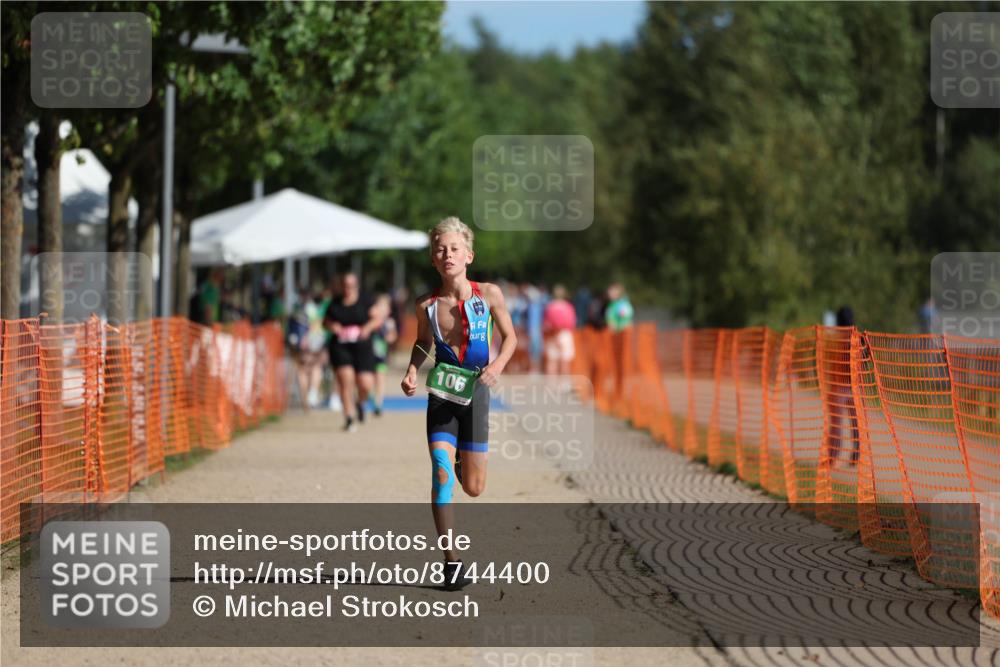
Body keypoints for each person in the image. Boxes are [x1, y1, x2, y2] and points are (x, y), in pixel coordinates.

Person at [400, 216, 517, 590]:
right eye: (440, 249)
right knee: (439, 472)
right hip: (443, 395)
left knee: (475, 488)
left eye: (454, 249)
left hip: (477, 391)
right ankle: (451, 563)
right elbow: (422, 343)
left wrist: (497, 365)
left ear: (469, 255)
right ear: (433, 260)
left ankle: (463, 458)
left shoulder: (489, 294)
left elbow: (511, 337)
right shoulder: (426, 305)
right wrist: (412, 371)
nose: (447, 254)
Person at [324, 272, 383, 432]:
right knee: (345, 380)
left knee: (365, 384)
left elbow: (378, 319)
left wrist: (367, 328)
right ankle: (349, 417)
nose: (347, 289)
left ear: (356, 286)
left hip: (362, 346)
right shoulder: (335, 303)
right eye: (345, 285)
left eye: (351, 286)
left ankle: (360, 403)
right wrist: (333, 326)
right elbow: (326, 321)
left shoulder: (366, 300)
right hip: (341, 346)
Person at [825, 305, 860, 467]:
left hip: (838, 386)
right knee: (856, 424)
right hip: (854, 386)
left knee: (837, 424)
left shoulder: (836, 337)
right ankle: (856, 454)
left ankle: (832, 456)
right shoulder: (857, 337)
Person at [370, 293, 398, 416]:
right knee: (369, 380)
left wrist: (388, 337)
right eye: (380, 307)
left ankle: (378, 404)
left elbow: (393, 336)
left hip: (381, 355)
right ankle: (370, 397)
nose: (382, 311)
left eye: (385, 308)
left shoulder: (389, 322)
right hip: (368, 355)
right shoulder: (370, 321)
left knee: (380, 379)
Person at [543, 284, 577, 376]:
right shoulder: (568, 307)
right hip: (564, 334)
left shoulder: (550, 306)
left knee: (552, 361)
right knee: (565, 362)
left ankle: (551, 386)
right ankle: (564, 385)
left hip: (552, 334)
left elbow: (546, 323)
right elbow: (572, 323)